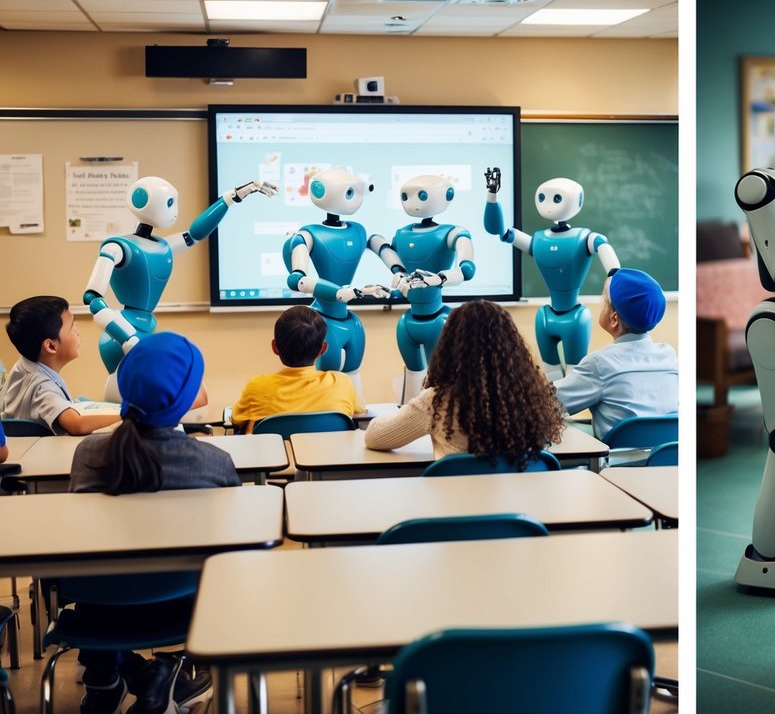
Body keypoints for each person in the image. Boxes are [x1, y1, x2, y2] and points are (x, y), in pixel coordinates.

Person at [67, 332, 237, 713]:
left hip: (98, 609)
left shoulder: (87, 454)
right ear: (187, 399)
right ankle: (165, 671)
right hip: (184, 609)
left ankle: (109, 675)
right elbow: (230, 544)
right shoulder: (214, 462)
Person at [365, 299, 566, 469]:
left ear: (451, 346)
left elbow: (374, 436)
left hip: (456, 512)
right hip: (518, 512)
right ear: (512, 348)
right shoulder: (527, 398)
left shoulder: (437, 401)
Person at [554, 268, 678, 438]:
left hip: (616, 464)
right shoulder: (669, 356)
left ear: (614, 319)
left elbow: (544, 405)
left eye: (603, 299)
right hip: (666, 462)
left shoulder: (600, 364)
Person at [230, 306, 364, 433]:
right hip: (328, 456)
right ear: (322, 349)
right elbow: (359, 411)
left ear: (274, 347)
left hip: (273, 457)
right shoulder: (342, 382)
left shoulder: (257, 387)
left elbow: (237, 420)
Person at [2, 295, 123, 435]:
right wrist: (128, 416)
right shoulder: (42, 388)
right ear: (51, 346)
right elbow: (77, 425)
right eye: (72, 327)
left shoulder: (23, 365)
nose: (77, 332)